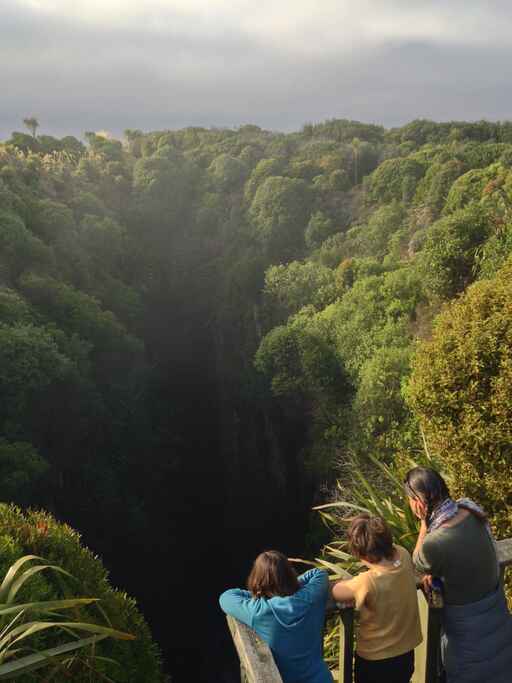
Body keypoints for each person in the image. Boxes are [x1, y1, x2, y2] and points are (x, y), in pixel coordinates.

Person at [404, 466, 512, 683]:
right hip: (498, 621)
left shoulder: (434, 543)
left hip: (467, 639)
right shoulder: (469, 509)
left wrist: (424, 524)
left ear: (418, 503)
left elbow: (417, 561)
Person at [332, 514, 422, 683]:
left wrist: (349, 582)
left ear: (362, 554)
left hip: (374, 661)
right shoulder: (403, 555)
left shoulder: (367, 581)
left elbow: (337, 591)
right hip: (405, 655)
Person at [219, 550, 332, 683]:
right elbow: (319, 573)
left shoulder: (258, 611)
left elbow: (226, 597)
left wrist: (260, 592)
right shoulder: (311, 597)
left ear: (257, 579)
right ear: (290, 574)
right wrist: (290, 584)